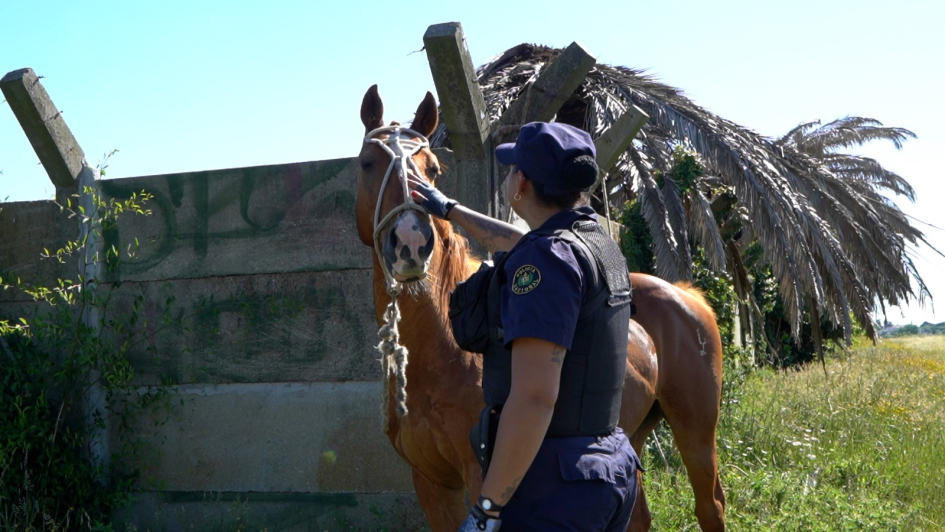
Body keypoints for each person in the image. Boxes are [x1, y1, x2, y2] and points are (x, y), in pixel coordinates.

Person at [409, 122, 641, 531]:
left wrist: (487, 508)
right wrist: (447, 208)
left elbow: (535, 398)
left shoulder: (544, 264)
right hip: (605, 467)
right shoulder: (593, 244)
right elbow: (519, 241)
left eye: (513, 167)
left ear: (521, 184)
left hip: (554, 487)